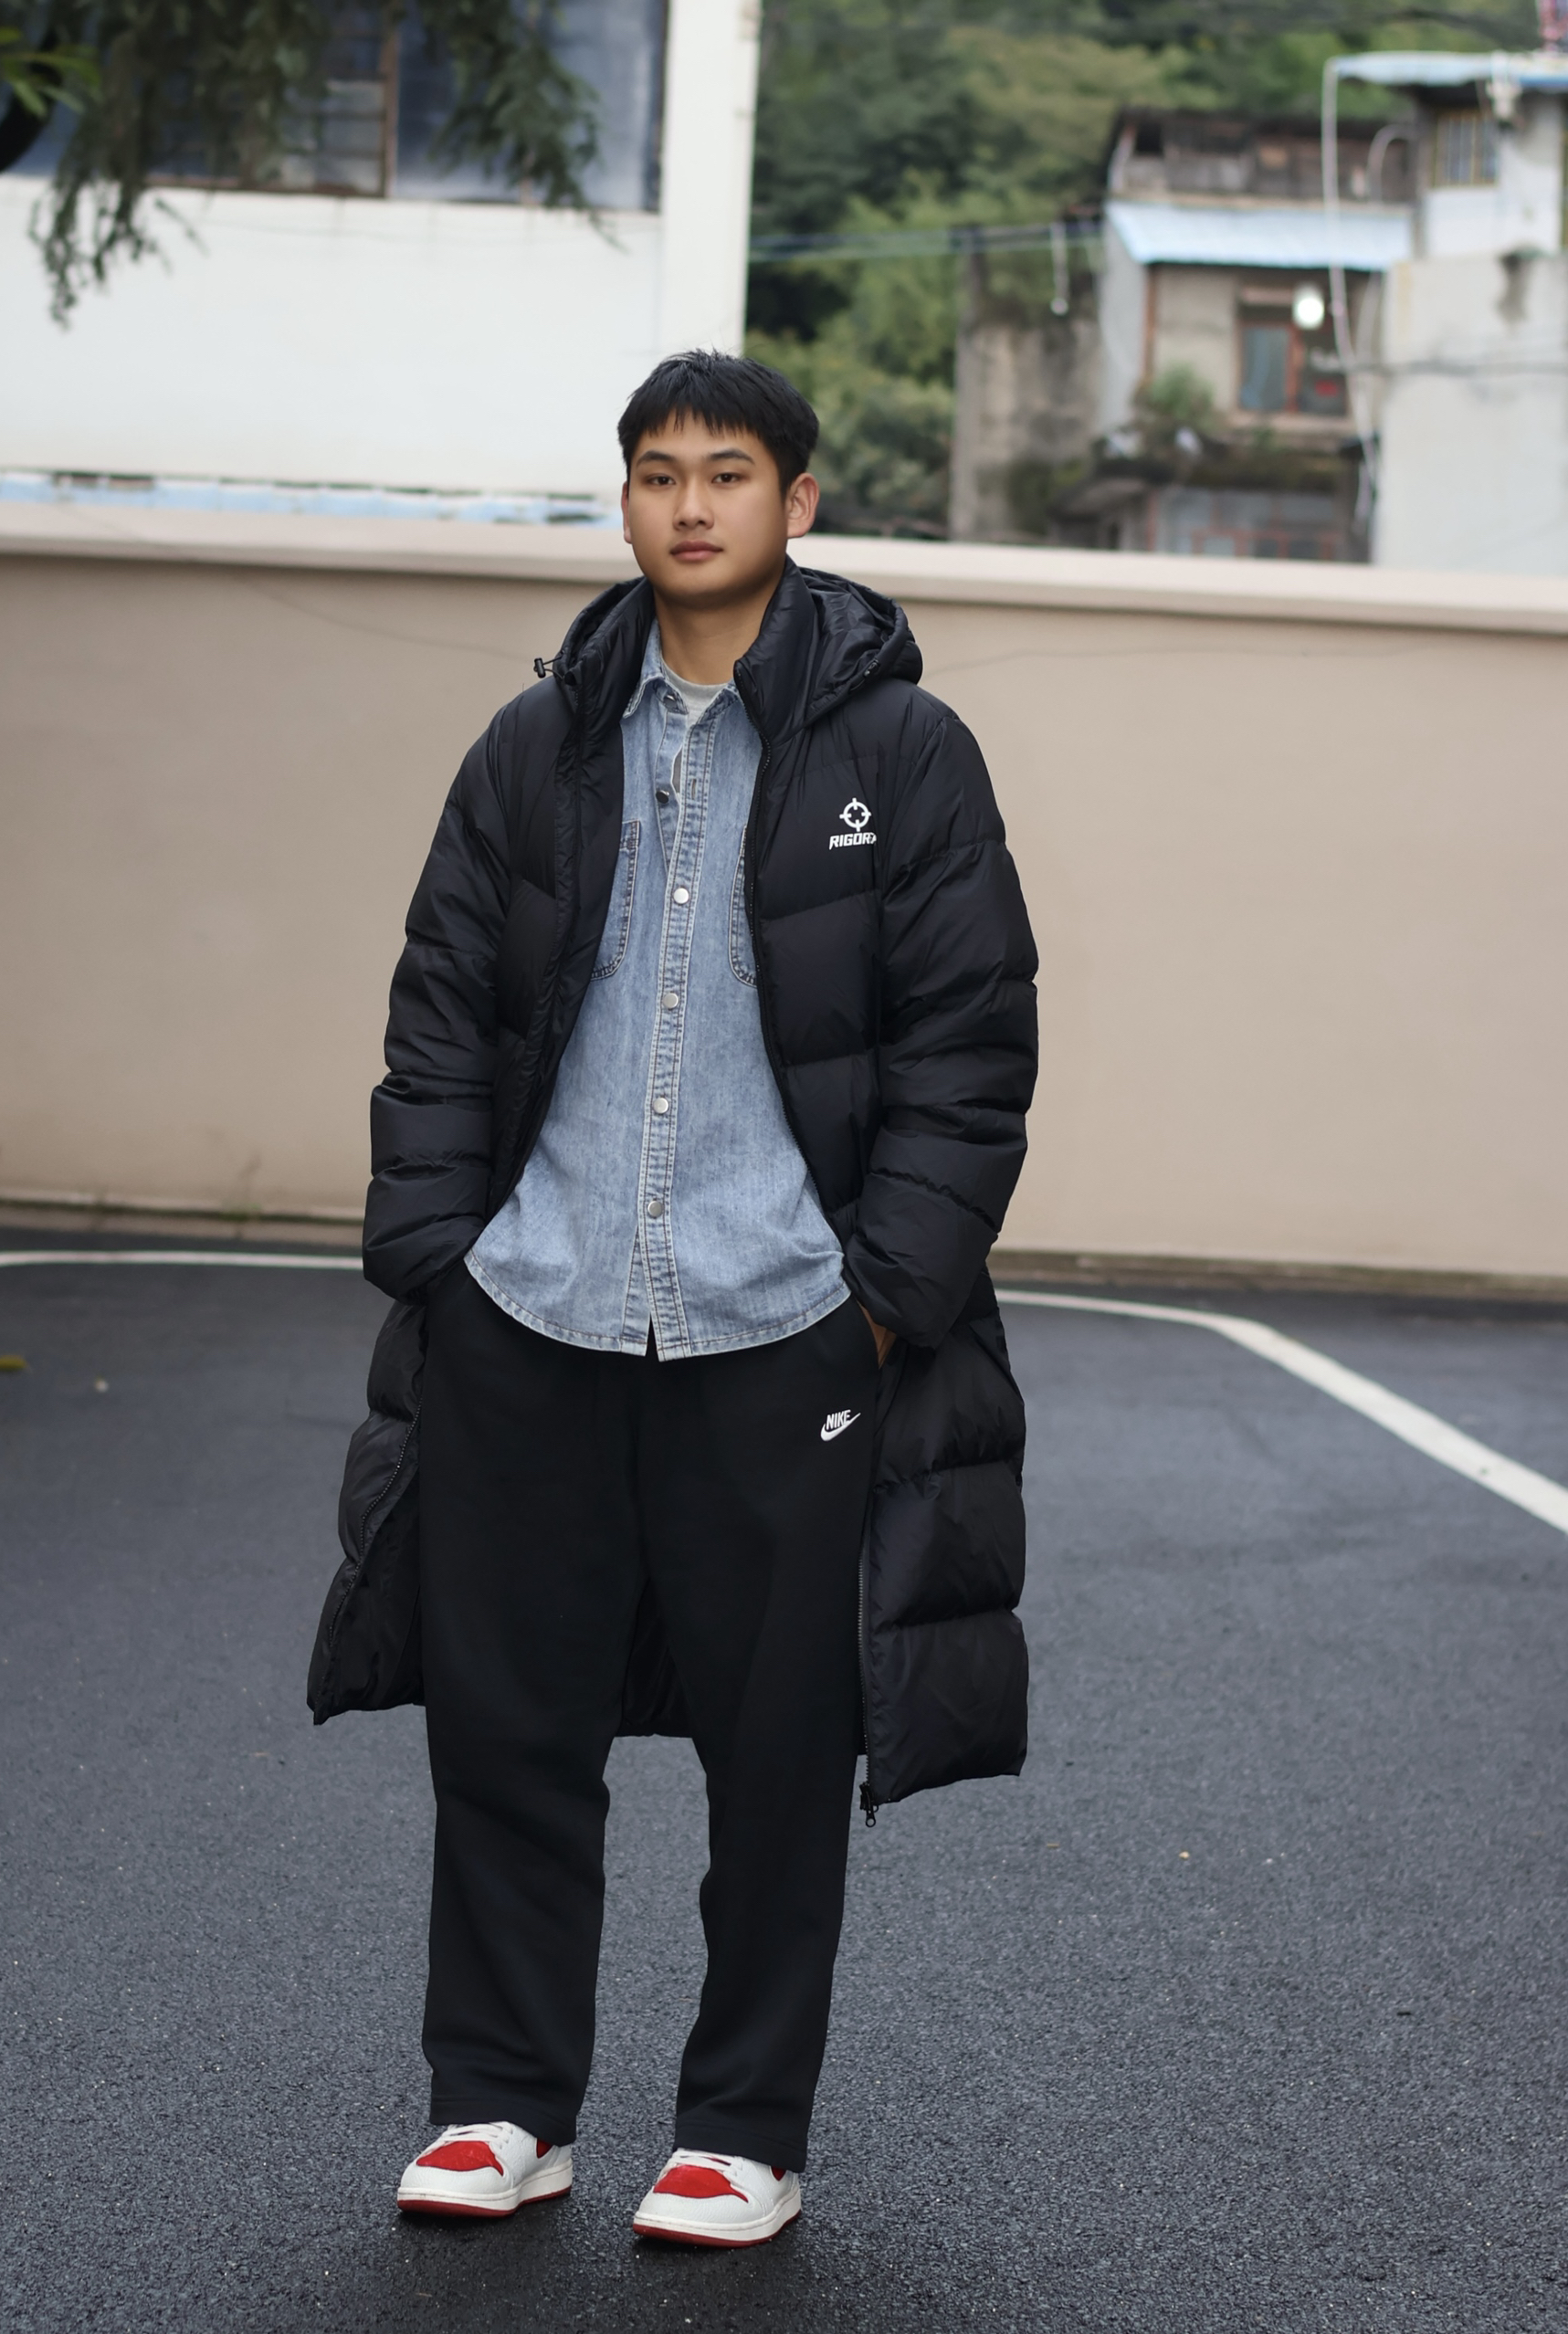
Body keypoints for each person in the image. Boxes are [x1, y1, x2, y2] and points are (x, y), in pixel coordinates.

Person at [308, 351, 1038, 2248]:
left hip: (781, 1322)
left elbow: (969, 1047)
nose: (688, 503)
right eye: (654, 471)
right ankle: (498, 2106)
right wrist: (441, 1263)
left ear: (798, 502)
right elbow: (438, 1012)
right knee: (505, 1729)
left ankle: (738, 2130)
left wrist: (879, 1301)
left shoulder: (901, 752)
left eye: (725, 471)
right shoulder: (534, 743)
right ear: (623, 501)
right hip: (536, 1309)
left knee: (776, 1745)